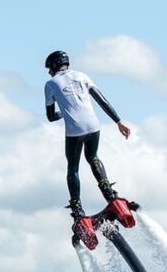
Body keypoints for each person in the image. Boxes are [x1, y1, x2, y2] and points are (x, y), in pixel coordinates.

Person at [44, 50, 131, 220]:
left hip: (74, 130)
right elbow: (102, 100)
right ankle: (108, 193)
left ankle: (77, 208)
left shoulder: (50, 84)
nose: (48, 72)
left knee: (73, 168)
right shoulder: (83, 76)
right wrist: (118, 122)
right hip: (93, 126)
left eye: (49, 68)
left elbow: (50, 117)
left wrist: (64, 112)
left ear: (54, 66)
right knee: (93, 158)